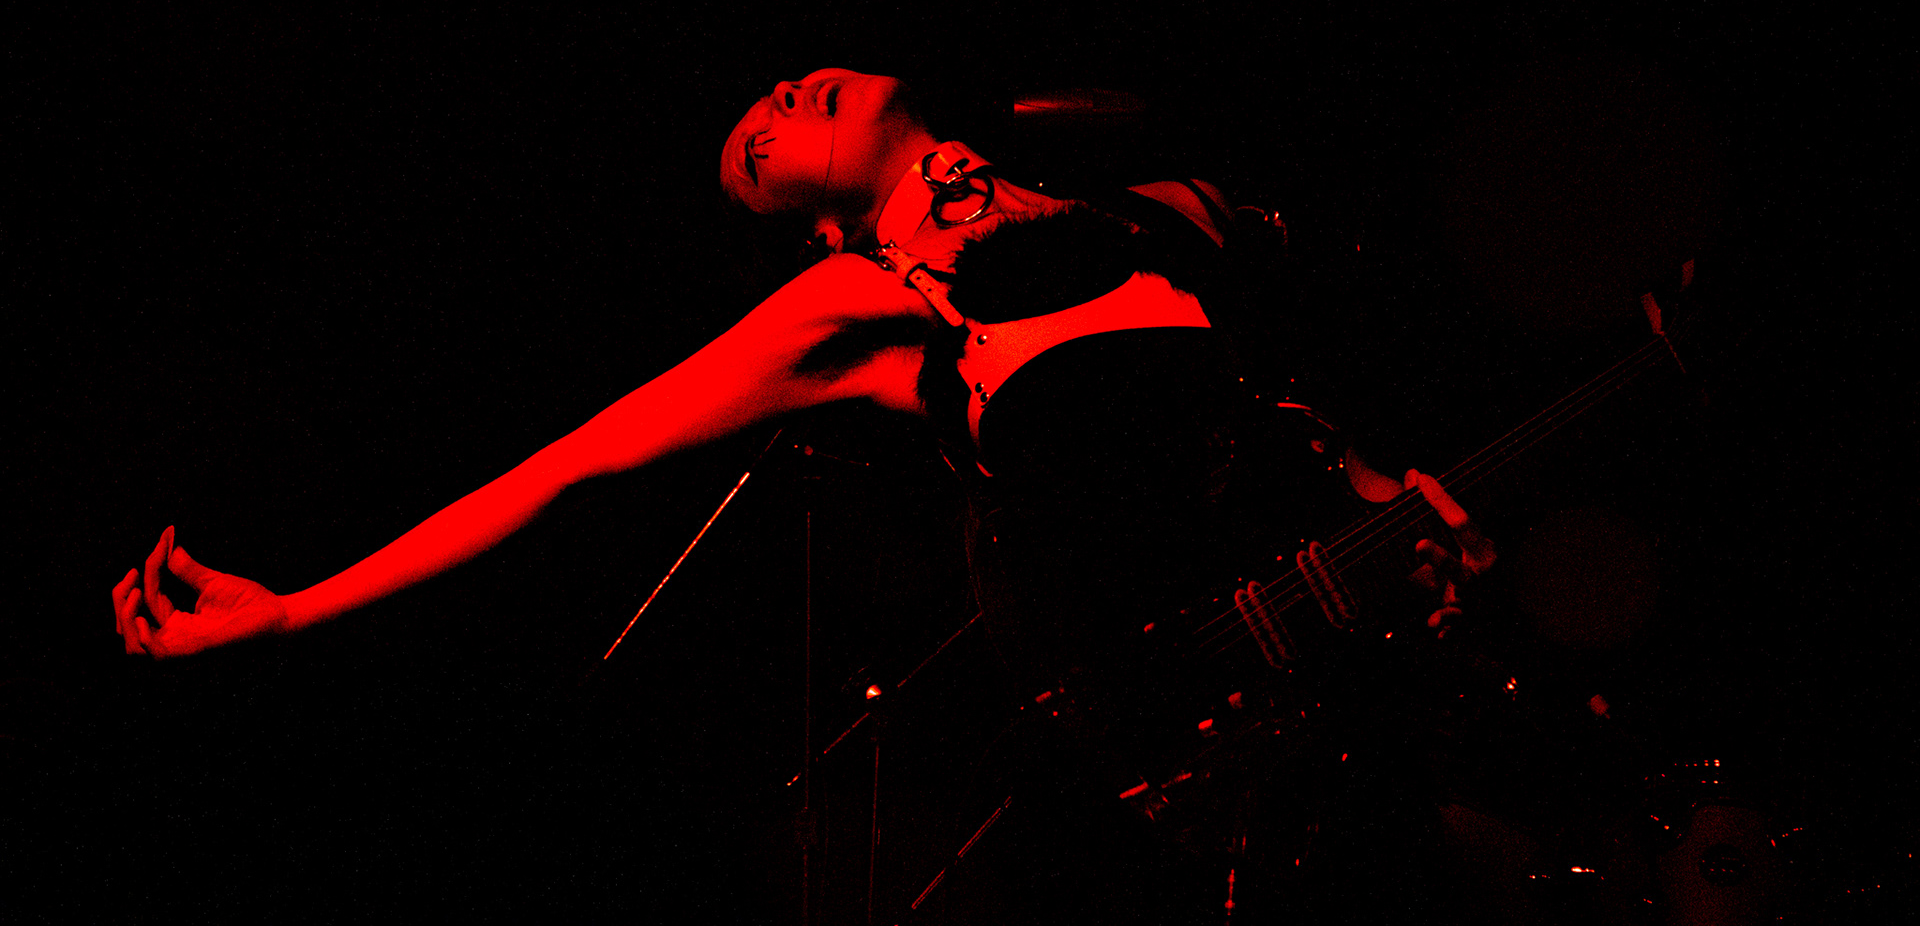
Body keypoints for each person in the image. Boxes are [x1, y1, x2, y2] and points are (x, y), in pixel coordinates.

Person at [110, 68, 1492, 917]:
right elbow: (567, 467)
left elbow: (1278, 402)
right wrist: (297, 612)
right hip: (1197, 731)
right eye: (755, 145)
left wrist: (1378, 491)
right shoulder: (864, 308)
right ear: (817, 230)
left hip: (1358, 648)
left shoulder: (1158, 205)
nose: (778, 99)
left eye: (782, 88)